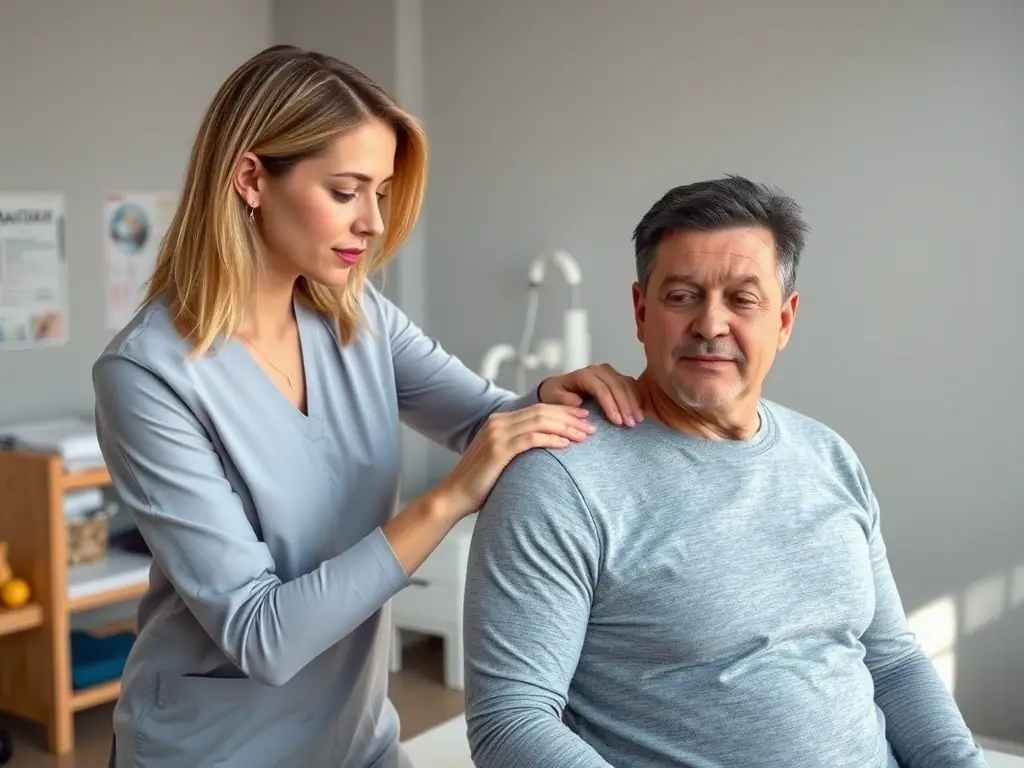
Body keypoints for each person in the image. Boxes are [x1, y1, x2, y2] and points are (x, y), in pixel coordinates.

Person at [93, 44, 644, 768]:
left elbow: (488, 424)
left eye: (380, 192)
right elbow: (262, 634)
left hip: (357, 739)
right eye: (346, 191)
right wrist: (447, 500)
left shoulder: (358, 319)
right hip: (214, 751)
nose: (374, 223)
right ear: (251, 179)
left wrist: (554, 397)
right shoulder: (146, 375)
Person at [462, 176, 989, 767]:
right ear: (641, 311)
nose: (711, 325)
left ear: (784, 320)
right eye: (682, 296)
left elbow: (892, 663)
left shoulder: (828, 455)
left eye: (742, 299)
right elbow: (511, 721)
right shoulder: (561, 478)